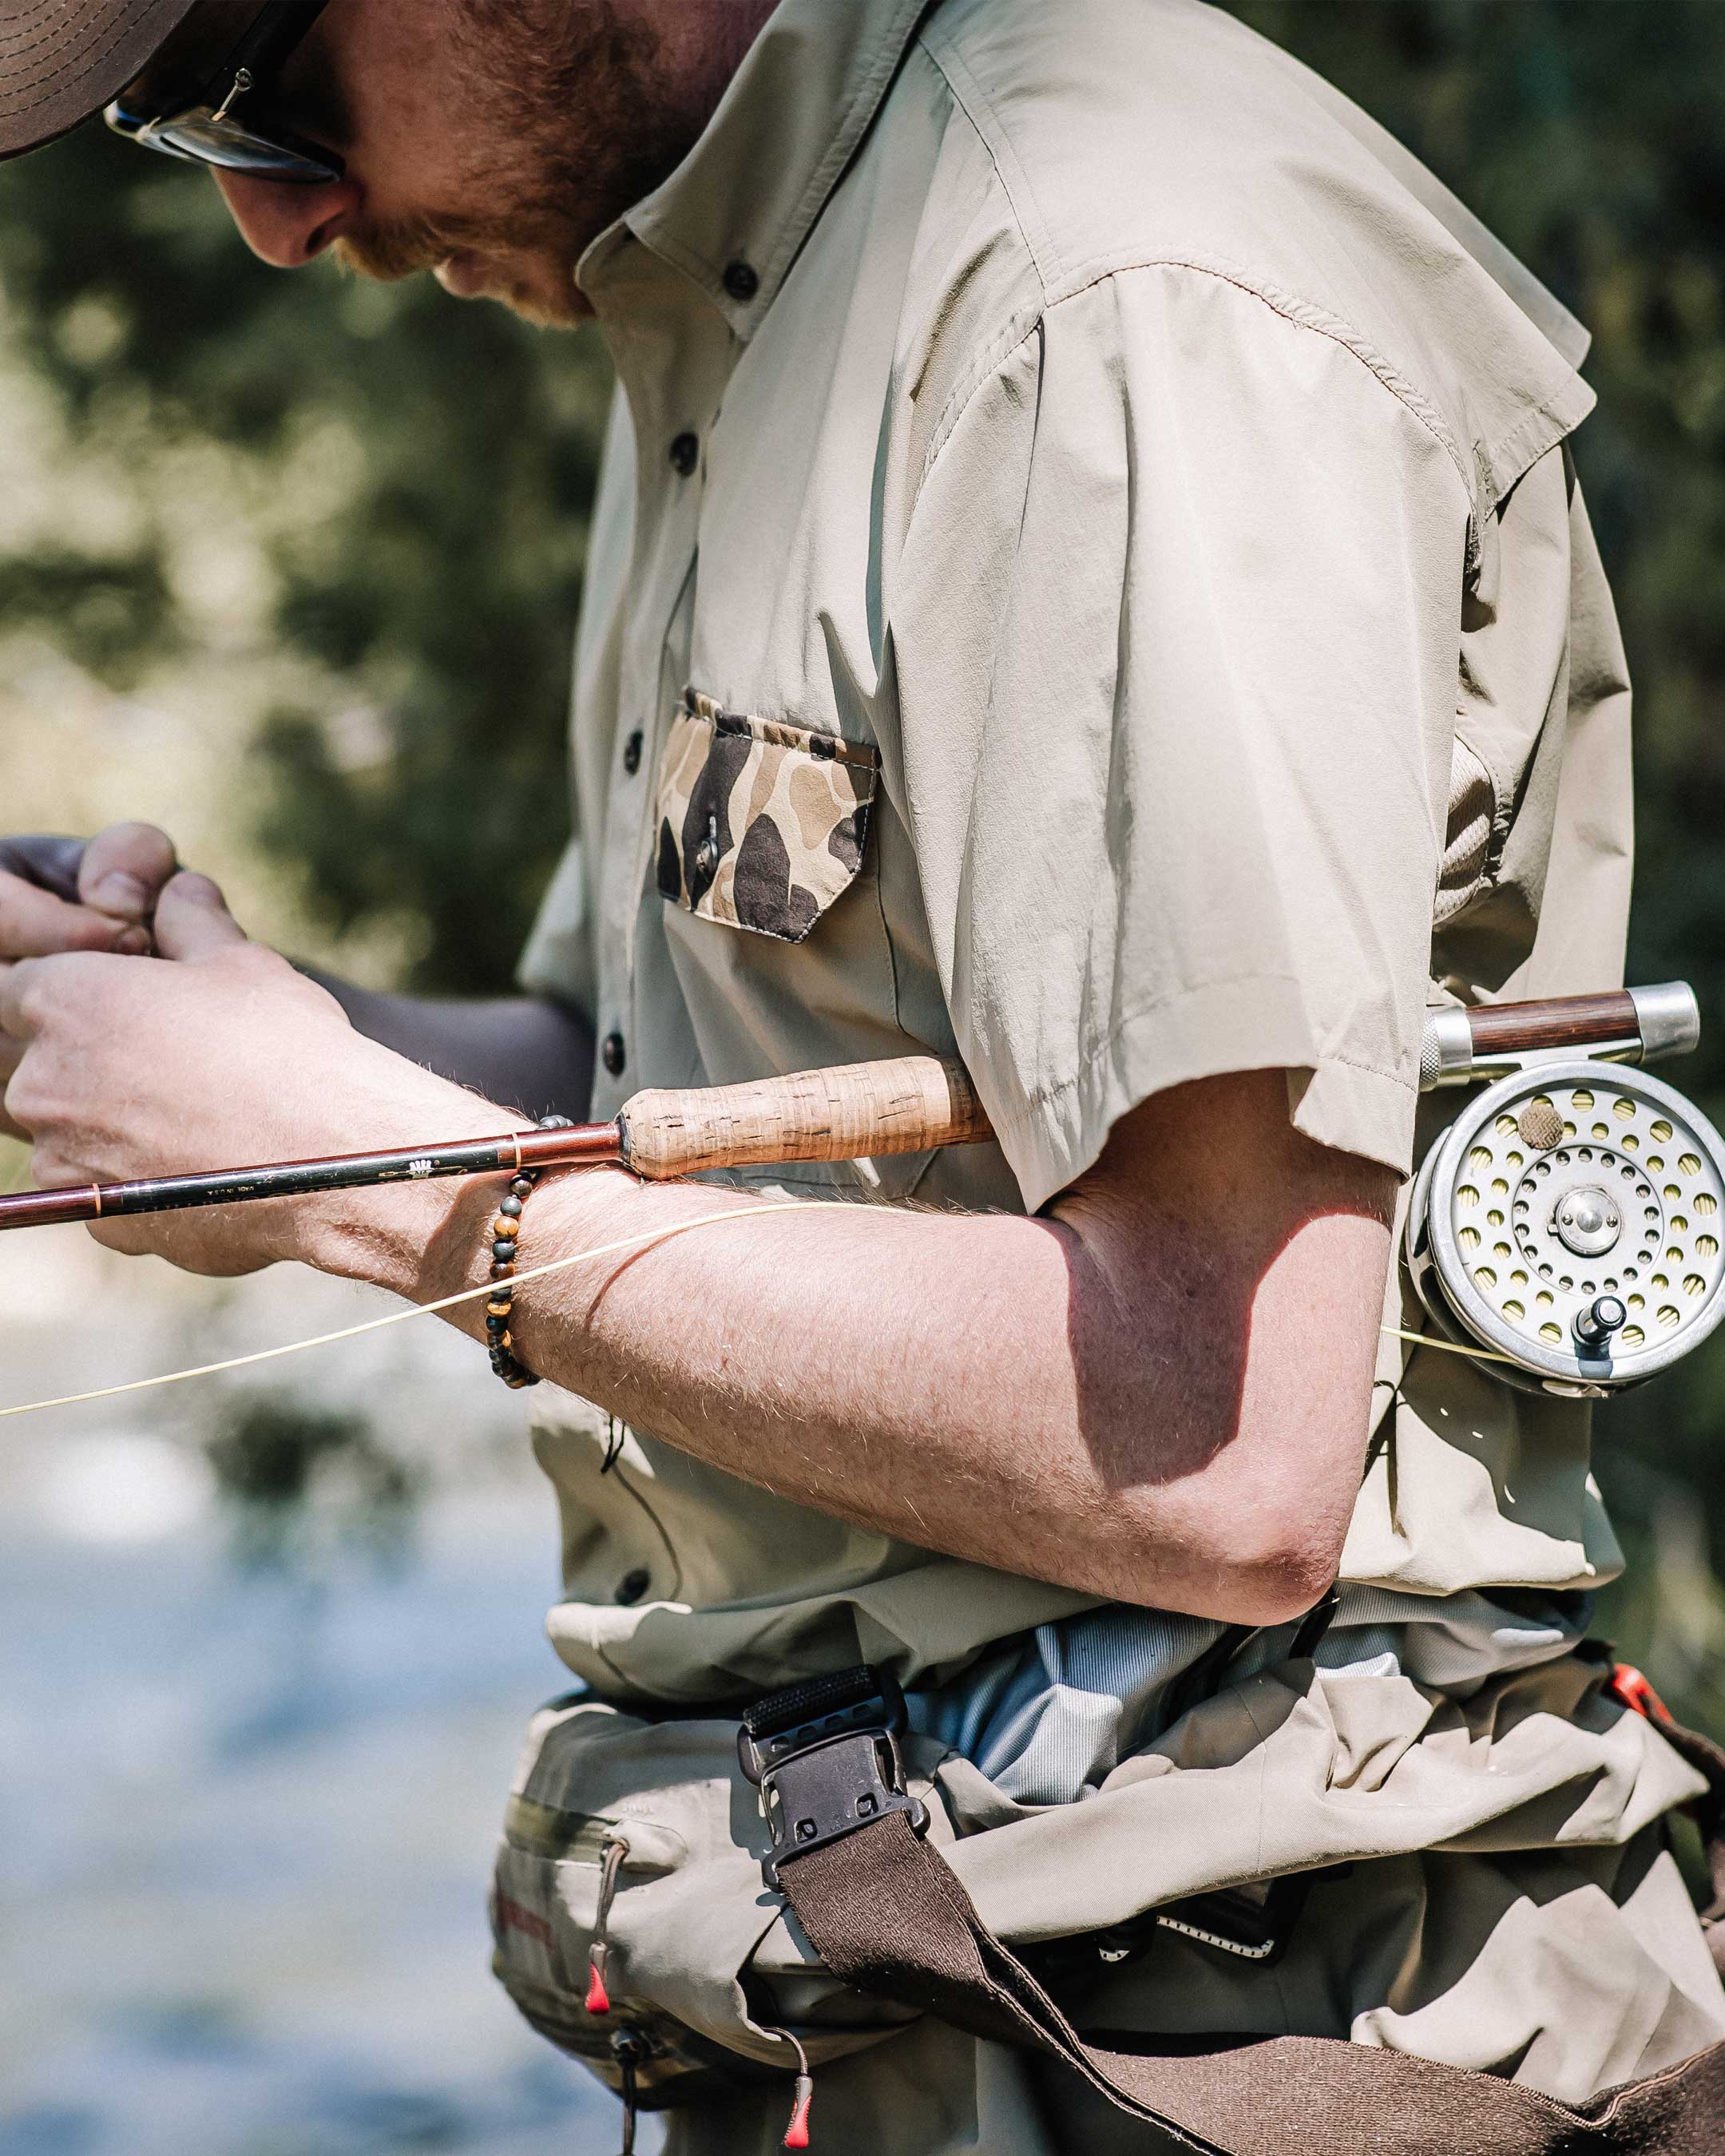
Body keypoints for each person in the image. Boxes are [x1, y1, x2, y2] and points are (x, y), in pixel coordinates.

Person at [2, 2, 1722, 2150]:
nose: (271, 214)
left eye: (256, 81)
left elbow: (1212, 1424)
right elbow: (635, 1085)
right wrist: (229, 1052)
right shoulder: (735, 293)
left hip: (1251, 2035)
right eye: (183, 132)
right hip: (928, 1997)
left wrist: (375, 1175)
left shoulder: (1101, 294)